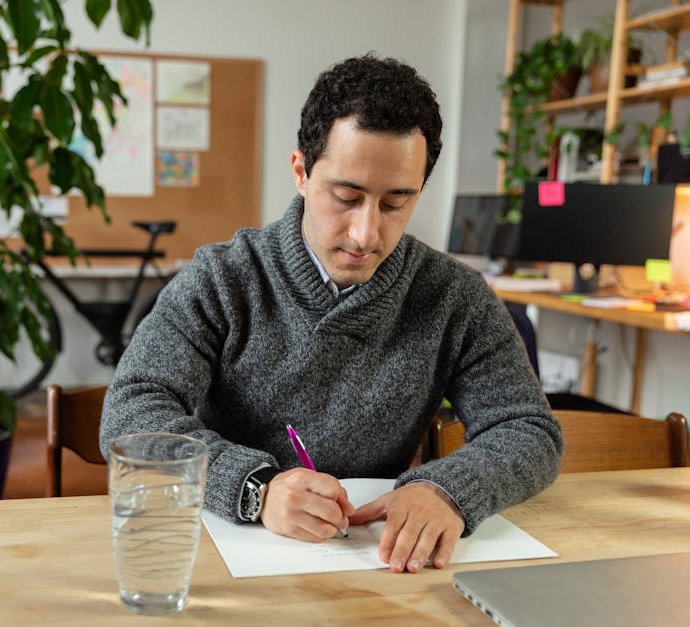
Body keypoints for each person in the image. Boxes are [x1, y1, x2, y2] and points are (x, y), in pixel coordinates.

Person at [100, 54, 563, 574]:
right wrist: (255, 487)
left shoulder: (454, 295)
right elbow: (131, 411)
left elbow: (528, 429)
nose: (366, 234)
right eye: (346, 196)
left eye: (395, 204)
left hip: (373, 563)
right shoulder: (222, 278)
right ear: (301, 171)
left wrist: (449, 489)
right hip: (224, 555)